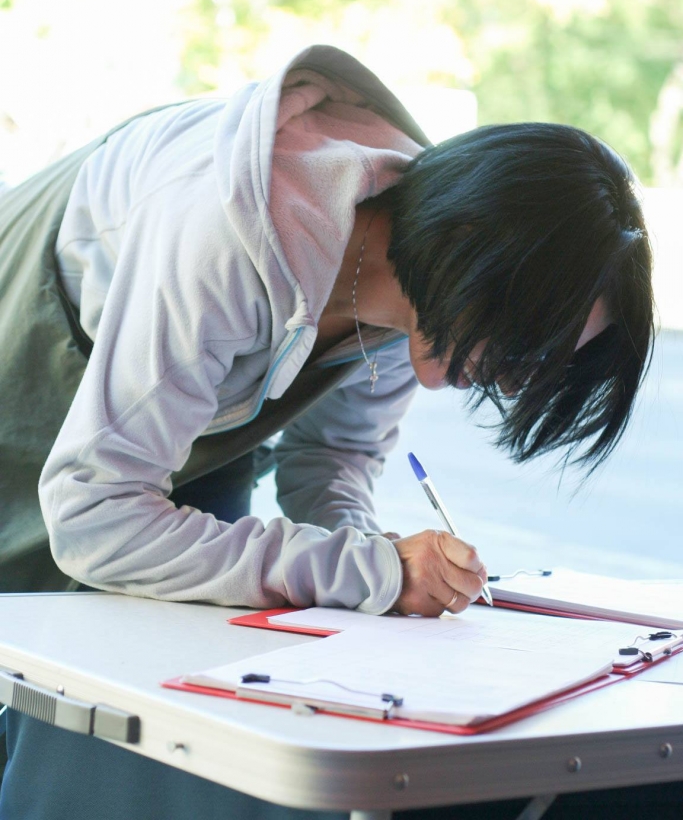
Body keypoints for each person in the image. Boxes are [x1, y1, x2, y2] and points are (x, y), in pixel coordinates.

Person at [0, 44, 654, 819]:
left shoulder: (422, 277)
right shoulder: (224, 233)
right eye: (525, 338)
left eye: (550, 359)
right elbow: (96, 521)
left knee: (177, 636)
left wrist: (383, 562)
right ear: (470, 256)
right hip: (30, 352)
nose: (516, 378)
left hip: (186, 413)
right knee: (54, 659)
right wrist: (368, 571)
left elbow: (329, 458)